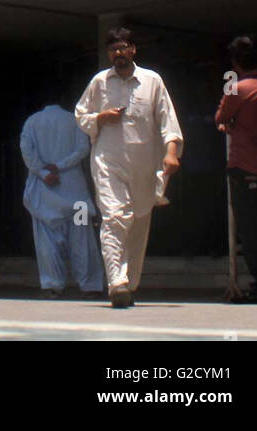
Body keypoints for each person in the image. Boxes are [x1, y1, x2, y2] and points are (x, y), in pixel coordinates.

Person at [76, 27, 183, 308]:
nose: (118, 53)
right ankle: (116, 283)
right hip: (108, 162)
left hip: (145, 166)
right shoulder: (99, 82)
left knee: (138, 222)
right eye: (113, 50)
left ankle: (129, 283)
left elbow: (166, 120)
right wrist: (100, 117)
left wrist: (171, 153)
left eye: (123, 48)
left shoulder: (151, 81)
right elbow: (81, 115)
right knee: (113, 217)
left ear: (133, 49)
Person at [20, 85, 104, 298]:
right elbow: (83, 150)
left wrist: (42, 171)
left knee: (47, 240)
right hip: (76, 192)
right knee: (83, 239)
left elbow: (27, 152)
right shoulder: (75, 121)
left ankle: (52, 285)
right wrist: (60, 165)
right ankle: (91, 285)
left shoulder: (32, 122)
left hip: (44, 193)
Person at [215, 36, 257, 303]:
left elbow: (220, 117)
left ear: (235, 63)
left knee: (250, 231)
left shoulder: (237, 88)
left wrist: (229, 124)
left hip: (243, 165)